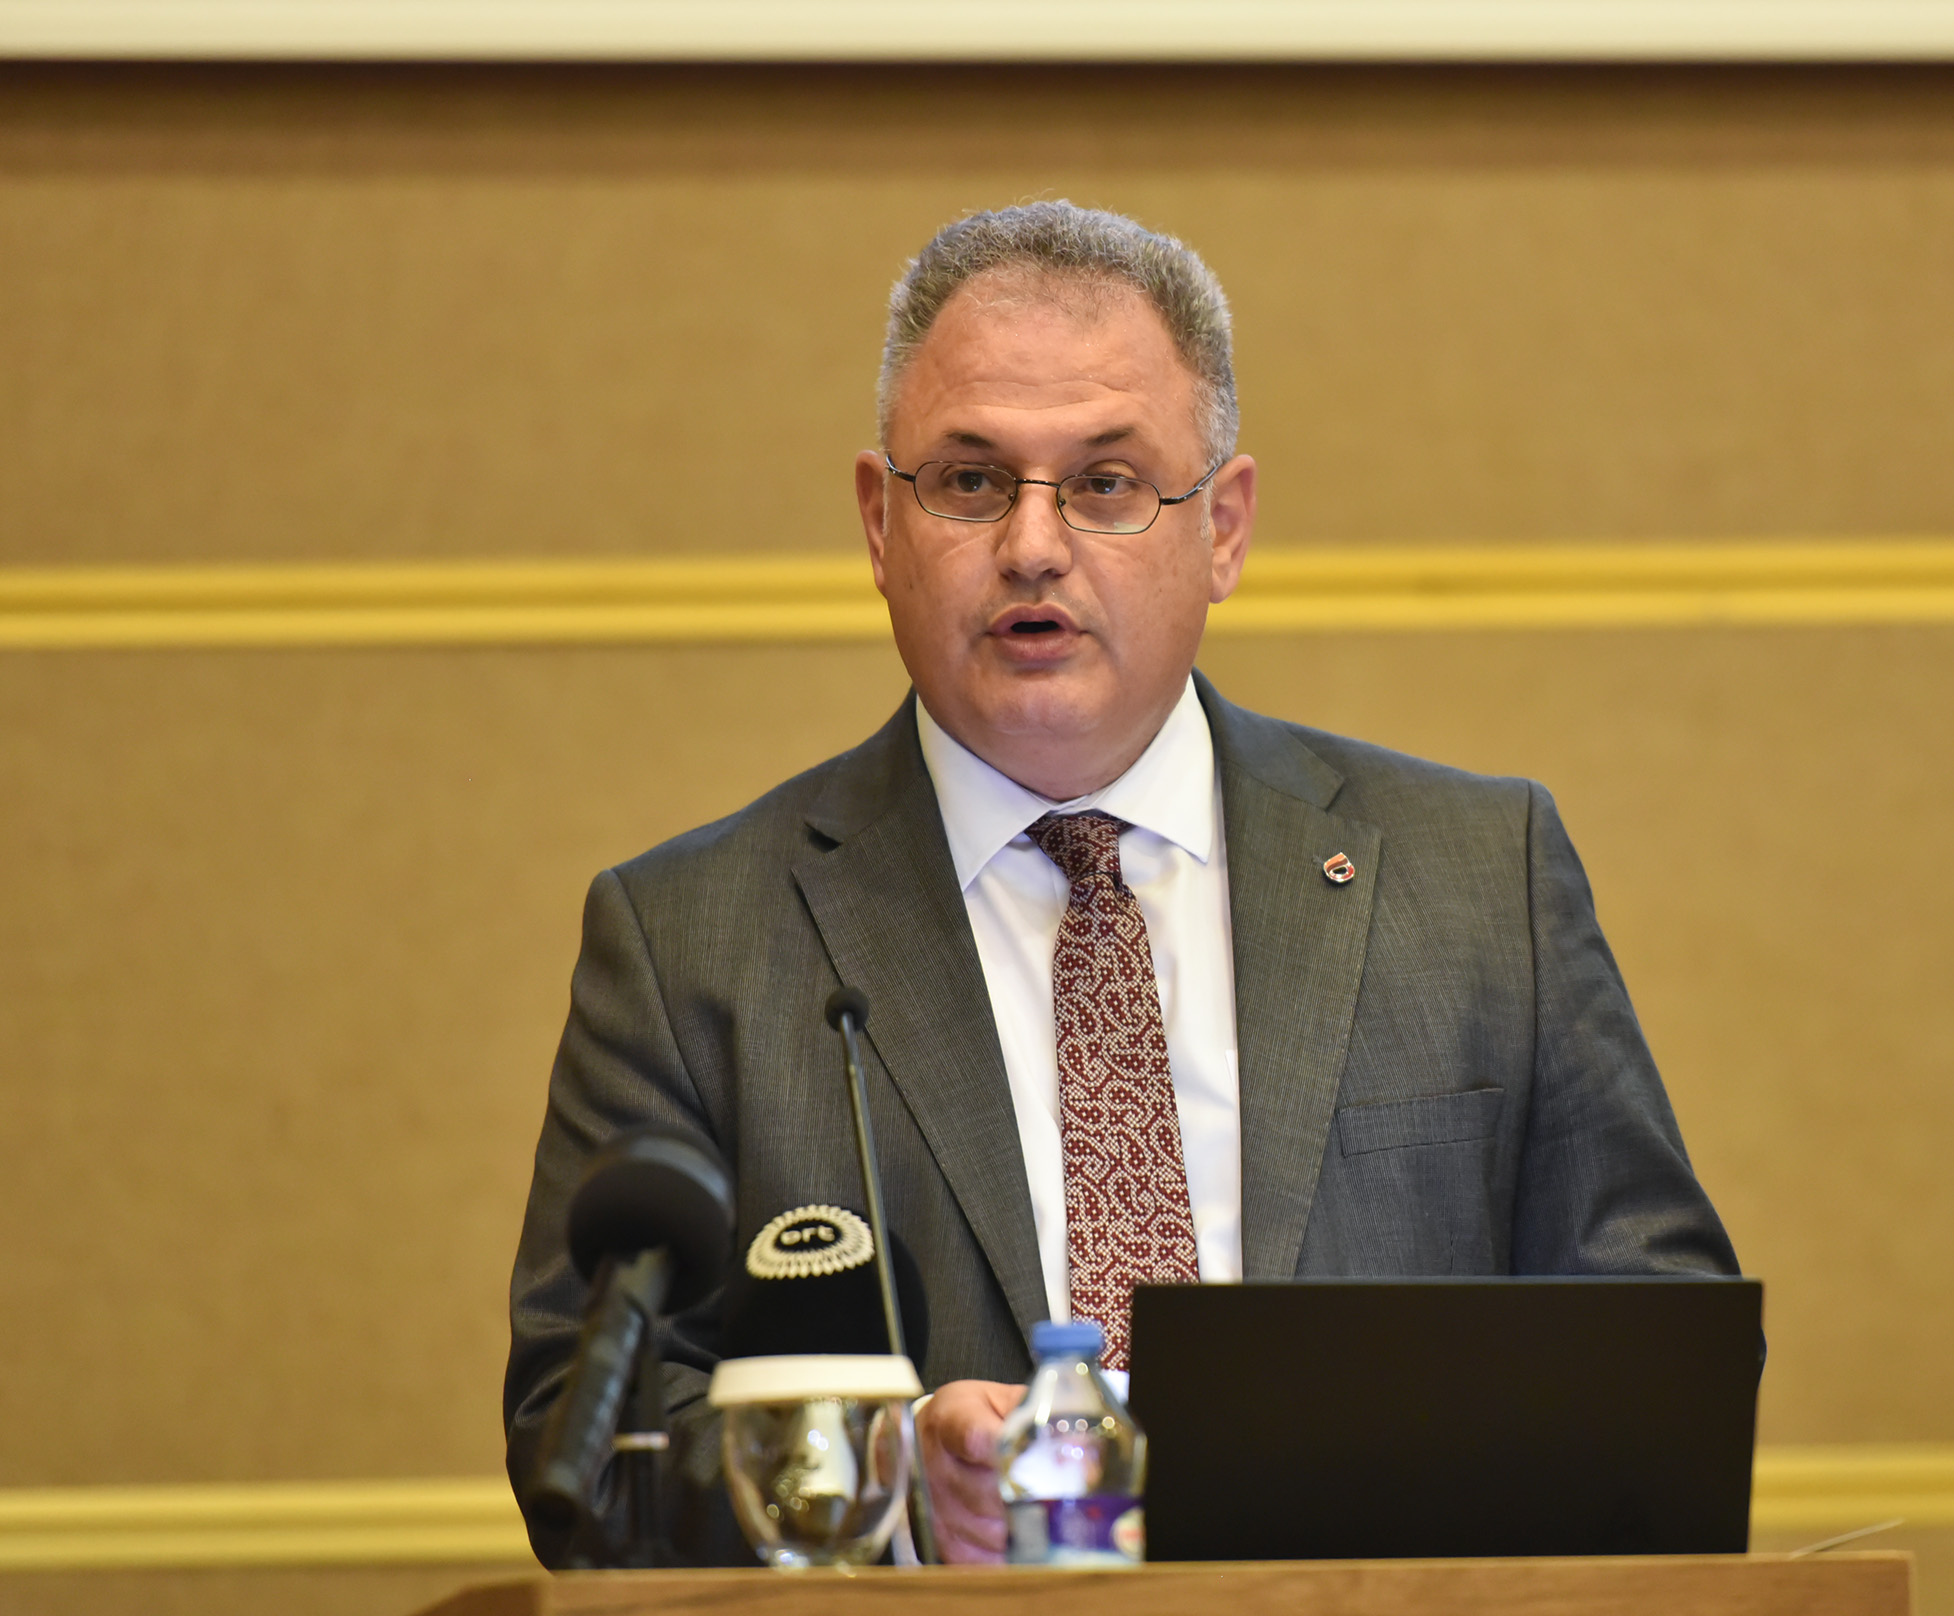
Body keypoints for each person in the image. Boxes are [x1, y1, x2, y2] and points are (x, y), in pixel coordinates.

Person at [504, 201, 1740, 1566]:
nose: (1033, 545)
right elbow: (584, 1440)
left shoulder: (1477, 880)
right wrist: (890, 1485)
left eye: (1105, 484)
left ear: (1224, 529)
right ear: (879, 524)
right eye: (970, 482)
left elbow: (1659, 1344)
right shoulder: (689, 943)